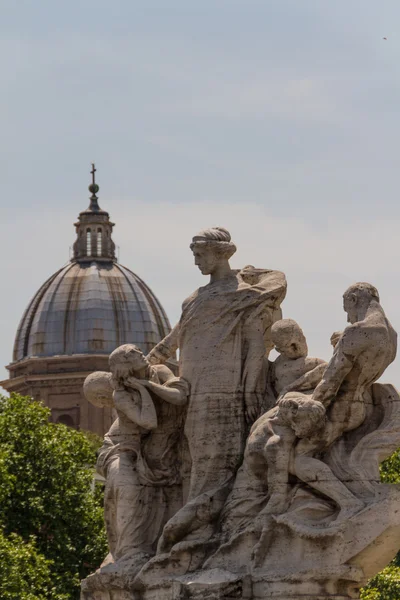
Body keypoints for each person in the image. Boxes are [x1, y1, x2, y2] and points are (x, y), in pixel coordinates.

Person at [149, 227, 287, 552]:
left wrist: (252, 388)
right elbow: (172, 343)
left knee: (222, 460)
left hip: (227, 393)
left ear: (220, 253)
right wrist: (143, 362)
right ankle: (197, 532)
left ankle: (207, 536)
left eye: (200, 255)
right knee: (195, 460)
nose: (196, 262)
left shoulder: (245, 296)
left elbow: (256, 347)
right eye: (194, 256)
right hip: (192, 394)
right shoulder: (193, 300)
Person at [84, 344, 189, 576]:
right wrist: (142, 389)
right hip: (120, 448)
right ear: (125, 366)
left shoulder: (160, 371)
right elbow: (149, 421)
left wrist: (145, 385)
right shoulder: (121, 395)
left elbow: (180, 397)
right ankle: (129, 551)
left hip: (148, 447)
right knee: (127, 485)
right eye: (132, 353)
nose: (141, 352)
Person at [270, 319, 326, 398]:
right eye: (291, 345)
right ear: (279, 350)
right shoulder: (311, 364)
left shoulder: (277, 365)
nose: (298, 347)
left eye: (301, 338)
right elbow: (325, 367)